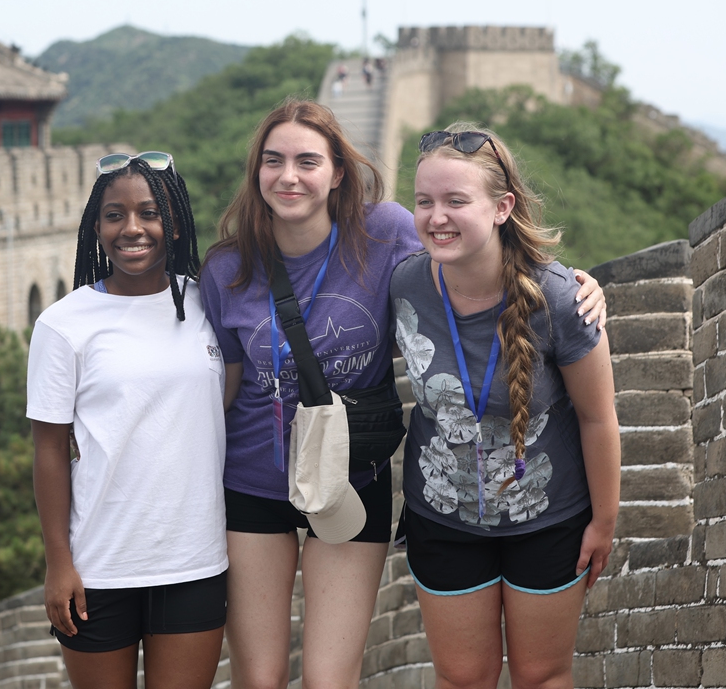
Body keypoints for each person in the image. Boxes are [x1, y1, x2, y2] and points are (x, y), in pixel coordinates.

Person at [200, 101, 607, 688]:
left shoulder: (387, 232)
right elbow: (220, 389)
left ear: (338, 171)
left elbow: (483, 264)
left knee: (327, 679)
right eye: (274, 160)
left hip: (351, 477)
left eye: (307, 160)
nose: (289, 175)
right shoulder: (226, 269)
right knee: (259, 679)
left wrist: (582, 290)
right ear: (255, 171)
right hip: (253, 479)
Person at [391, 125, 620, 689]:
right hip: (442, 517)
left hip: (549, 518)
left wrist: (605, 521)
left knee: (541, 675)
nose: (436, 216)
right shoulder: (404, 284)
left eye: (455, 201)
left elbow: (597, 418)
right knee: (462, 677)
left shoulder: (560, 298)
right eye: (424, 202)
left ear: (501, 207)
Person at [27, 152, 228, 689]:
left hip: (194, 561)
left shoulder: (210, 306)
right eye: (115, 215)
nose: (132, 228)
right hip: (99, 567)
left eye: (149, 212)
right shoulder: (64, 324)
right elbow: (49, 450)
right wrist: (58, 563)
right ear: (96, 227)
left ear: (176, 223)